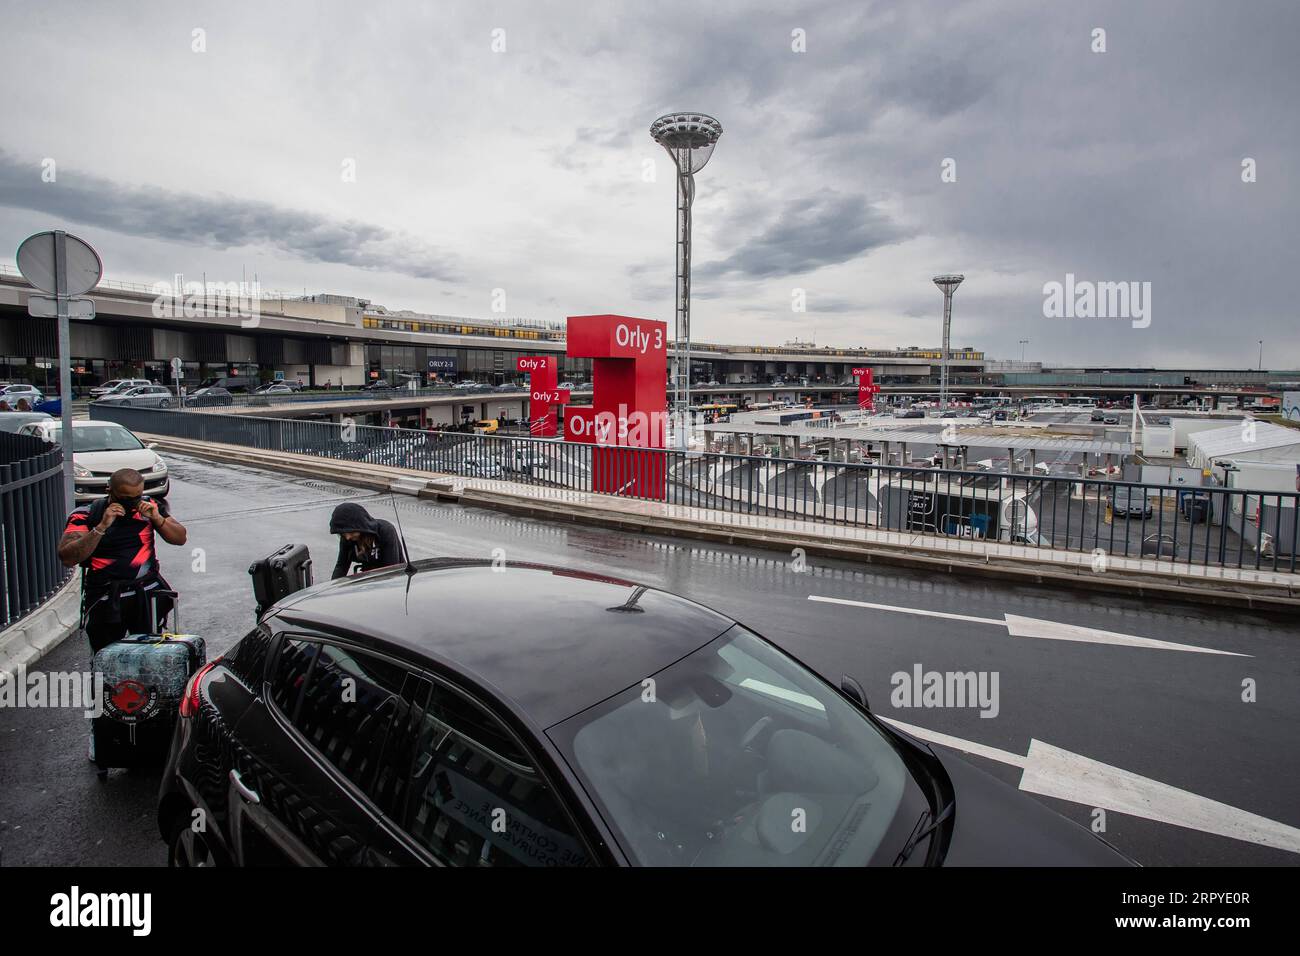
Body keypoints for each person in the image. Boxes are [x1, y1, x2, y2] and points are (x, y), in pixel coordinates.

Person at [58, 469, 187, 652]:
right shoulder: (86, 514)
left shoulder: (149, 507)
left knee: (149, 653)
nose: (132, 503)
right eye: (125, 498)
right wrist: (102, 526)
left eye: (137, 497)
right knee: (106, 654)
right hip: (106, 596)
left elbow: (180, 538)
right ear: (109, 490)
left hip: (145, 593)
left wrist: (157, 518)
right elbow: (68, 557)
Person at [329, 502, 405, 579]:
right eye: (344, 534)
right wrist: (333, 587)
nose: (348, 537)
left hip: (394, 577)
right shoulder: (347, 537)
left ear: (360, 527)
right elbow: (341, 566)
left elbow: (391, 569)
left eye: (351, 532)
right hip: (368, 576)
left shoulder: (386, 530)